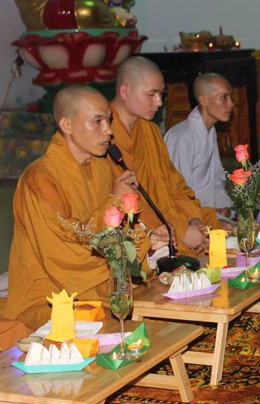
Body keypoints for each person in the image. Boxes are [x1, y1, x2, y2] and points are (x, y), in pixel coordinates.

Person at [4, 85, 170, 330]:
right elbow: (66, 253)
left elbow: (114, 231)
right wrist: (115, 201)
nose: (109, 130)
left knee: (163, 307)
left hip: (97, 281)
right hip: (51, 293)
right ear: (67, 125)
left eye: (109, 120)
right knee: (123, 324)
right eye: (97, 121)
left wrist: (147, 240)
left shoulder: (101, 166)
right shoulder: (40, 179)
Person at [109, 56, 222, 256]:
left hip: (168, 217)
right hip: (136, 226)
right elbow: (125, 201)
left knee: (210, 223)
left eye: (161, 94)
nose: (159, 102)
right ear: (125, 92)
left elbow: (174, 185)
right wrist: (180, 230)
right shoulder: (104, 136)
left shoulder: (150, 131)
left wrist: (192, 218)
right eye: (151, 94)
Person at [164, 73, 233, 217]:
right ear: (203, 100)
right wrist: (208, 214)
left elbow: (217, 180)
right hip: (188, 216)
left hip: (208, 211)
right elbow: (177, 192)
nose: (231, 103)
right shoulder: (182, 136)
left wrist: (222, 207)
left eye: (230, 97)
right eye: (223, 97)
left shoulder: (209, 130)